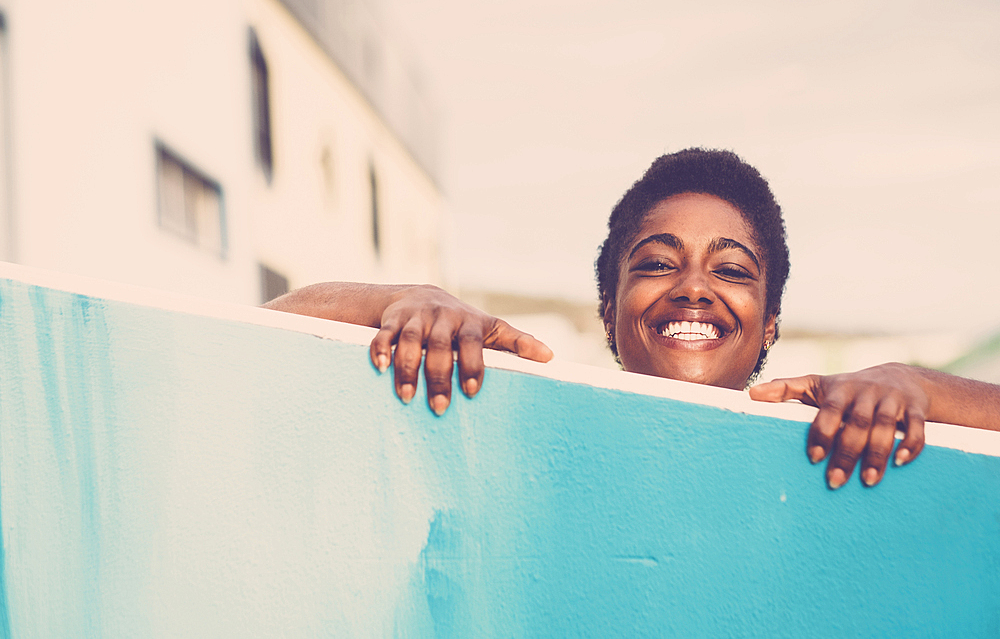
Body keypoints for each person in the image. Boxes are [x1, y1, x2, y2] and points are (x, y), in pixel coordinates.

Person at [264, 148, 1000, 489]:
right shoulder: (521, 418)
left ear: (770, 322)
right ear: (609, 309)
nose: (693, 288)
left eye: (732, 270)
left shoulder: (836, 438)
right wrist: (400, 300)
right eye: (657, 261)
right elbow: (260, 331)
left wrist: (915, 386)